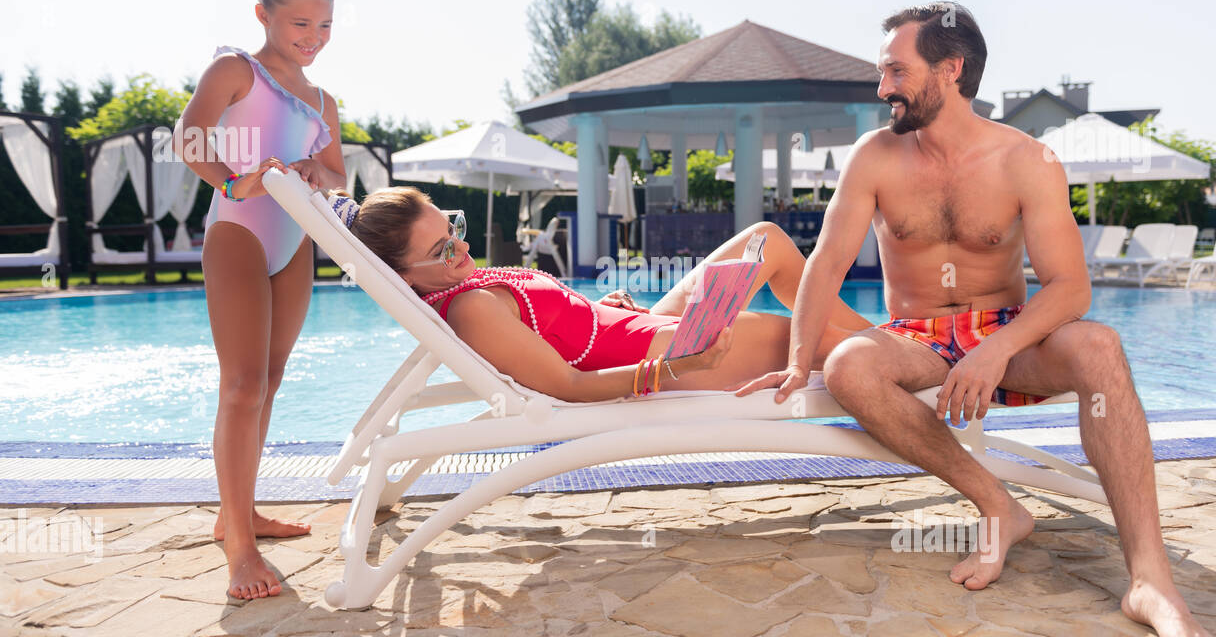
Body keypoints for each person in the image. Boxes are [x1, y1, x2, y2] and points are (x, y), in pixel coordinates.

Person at [738, 2, 1216, 637]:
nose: (882, 86)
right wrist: (801, 362)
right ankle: (999, 503)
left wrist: (995, 349)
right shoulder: (875, 156)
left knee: (1100, 347)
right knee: (853, 365)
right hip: (916, 334)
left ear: (951, 69)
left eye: (895, 70)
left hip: (1005, 331)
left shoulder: (1025, 159)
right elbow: (825, 262)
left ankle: (1150, 581)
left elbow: (1070, 289)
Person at [329, 186, 875, 401]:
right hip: (658, 357)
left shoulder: (460, 282)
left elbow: (553, 331)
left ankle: (889, 338)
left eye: (455, 229)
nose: (462, 251)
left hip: (626, 331)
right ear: (401, 276)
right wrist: (679, 366)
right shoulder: (470, 308)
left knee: (768, 240)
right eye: (443, 251)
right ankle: (906, 349)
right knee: (807, 337)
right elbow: (568, 384)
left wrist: (592, 311)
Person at [174, 0, 346, 602]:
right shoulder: (235, 69)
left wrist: (312, 174)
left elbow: (336, 174)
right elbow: (190, 136)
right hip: (239, 232)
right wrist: (234, 181)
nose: (313, 38)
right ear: (263, 15)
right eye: (300, 24)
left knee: (268, 385)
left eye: (325, 26)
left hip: (293, 243)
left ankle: (236, 513)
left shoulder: (322, 100)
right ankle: (239, 551)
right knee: (241, 385)